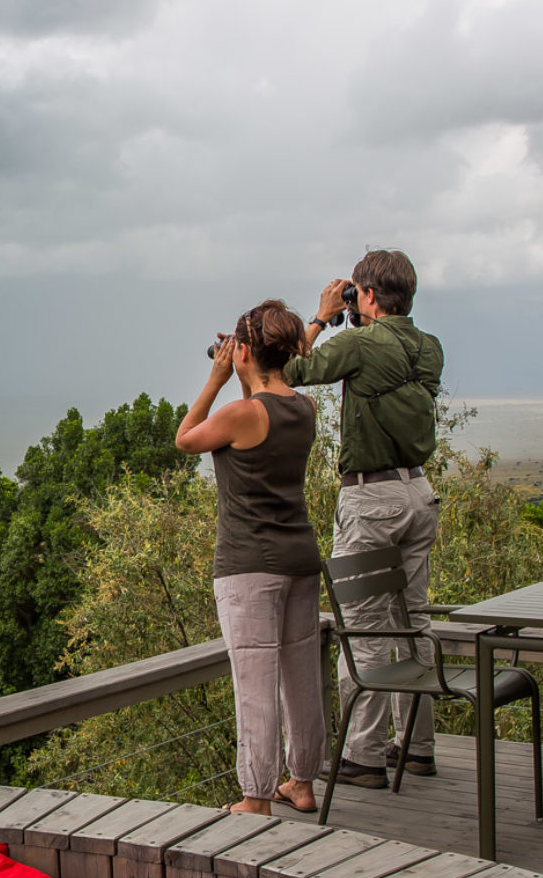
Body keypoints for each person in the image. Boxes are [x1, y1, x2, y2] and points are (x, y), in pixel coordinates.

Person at [285, 249, 444, 788]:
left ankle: (364, 756)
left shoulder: (359, 341)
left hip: (372, 498)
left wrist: (325, 315)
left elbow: (291, 369)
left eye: (356, 292)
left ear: (368, 295)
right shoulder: (428, 346)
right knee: (415, 619)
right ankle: (417, 748)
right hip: (419, 491)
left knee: (364, 628)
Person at [177, 299, 325, 815]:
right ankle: (302, 782)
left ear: (241, 351)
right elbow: (261, 411)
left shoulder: (238, 413)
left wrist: (217, 378)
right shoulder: (304, 408)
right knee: (302, 674)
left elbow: (185, 438)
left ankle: (256, 797)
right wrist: (243, 372)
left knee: (255, 681)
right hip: (301, 558)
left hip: (248, 567)